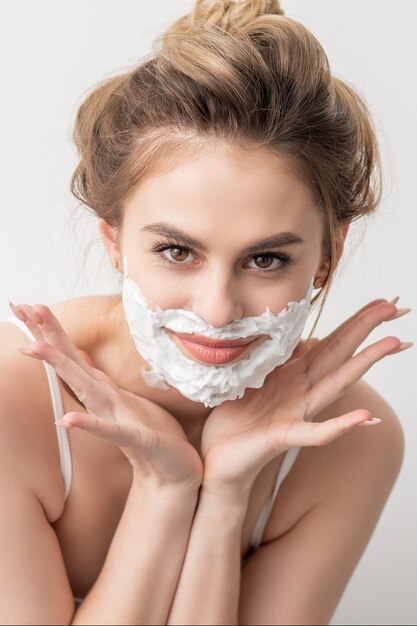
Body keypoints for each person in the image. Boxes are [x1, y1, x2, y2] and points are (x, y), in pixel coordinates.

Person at [0, 0, 412, 624]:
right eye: (176, 250)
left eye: (267, 259)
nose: (217, 311)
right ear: (113, 239)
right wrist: (164, 489)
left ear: (328, 257)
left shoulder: (347, 446)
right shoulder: (12, 399)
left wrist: (222, 495)